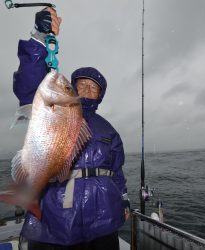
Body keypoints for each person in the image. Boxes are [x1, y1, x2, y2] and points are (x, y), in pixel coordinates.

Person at [13, 7, 129, 250]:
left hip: (103, 219)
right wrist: (40, 38)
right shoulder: (51, 104)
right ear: (73, 89)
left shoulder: (109, 130)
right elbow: (29, 80)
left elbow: (116, 170)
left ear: (100, 94)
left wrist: (124, 200)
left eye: (93, 87)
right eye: (81, 84)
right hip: (56, 219)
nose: (86, 89)